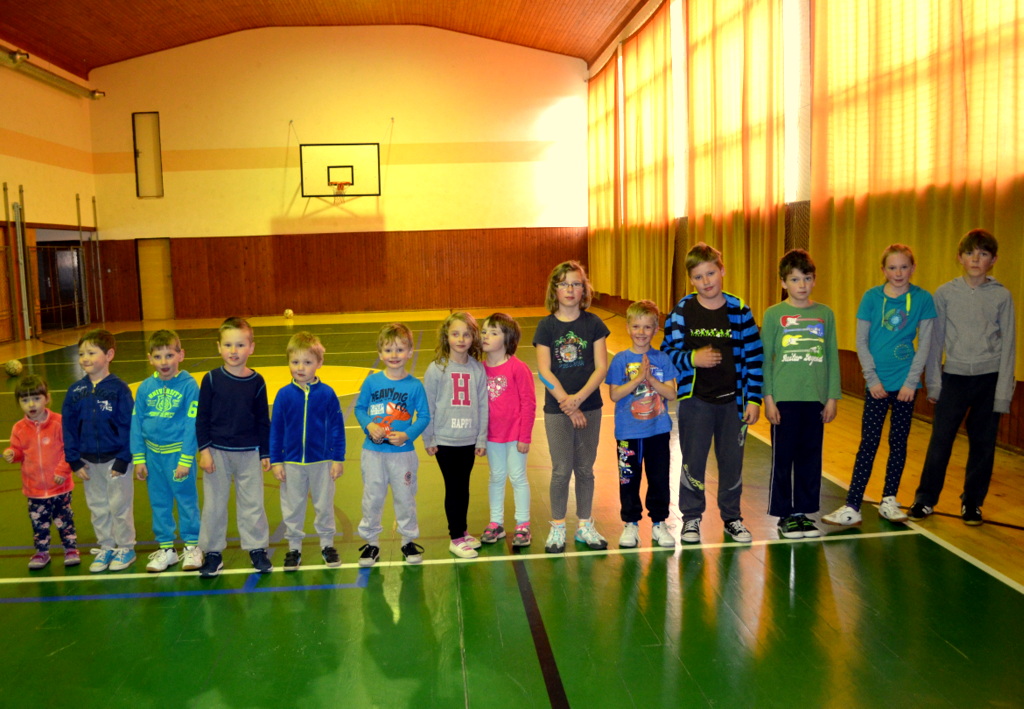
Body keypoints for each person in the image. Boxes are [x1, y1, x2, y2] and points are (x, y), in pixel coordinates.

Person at [910, 229, 1017, 526]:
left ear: (993, 260)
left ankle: (972, 503)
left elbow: (1009, 345)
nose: (976, 259)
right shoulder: (945, 293)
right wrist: (934, 383)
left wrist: (1003, 394)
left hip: (989, 380)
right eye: (970, 253)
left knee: (983, 445)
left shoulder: (1002, 295)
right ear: (960, 257)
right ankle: (925, 498)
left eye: (983, 254)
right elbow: (935, 341)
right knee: (940, 440)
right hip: (954, 379)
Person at [823, 245, 935, 527]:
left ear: (913, 268)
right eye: (892, 267)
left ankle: (889, 500)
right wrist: (871, 379)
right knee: (868, 443)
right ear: (883, 270)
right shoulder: (871, 298)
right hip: (877, 385)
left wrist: (911, 382)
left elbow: (925, 345)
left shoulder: (923, 299)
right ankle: (852, 505)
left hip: (906, 386)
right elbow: (861, 341)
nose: (899, 273)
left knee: (898, 443)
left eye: (904, 267)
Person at [661, 243, 763, 544]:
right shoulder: (682, 311)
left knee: (732, 463)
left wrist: (753, 398)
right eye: (698, 277)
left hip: (733, 403)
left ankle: (732, 518)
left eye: (710, 273)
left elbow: (755, 356)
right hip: (695, 403)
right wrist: (693, 359)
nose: (706, 281)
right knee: (693, 461)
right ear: (691, 280)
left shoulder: (739, 310)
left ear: (722, 271)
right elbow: (667, 353)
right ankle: (691, 518)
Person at [762, 249, 841, 539]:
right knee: (783, 459)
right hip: (784, 399)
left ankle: (803, 513)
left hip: (815, 400)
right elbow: (765, 360)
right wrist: (768, 399)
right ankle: (785, 514)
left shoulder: (825, 314)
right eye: (795, 279)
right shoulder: (773, 314)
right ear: (783, 282)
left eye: (807, 278)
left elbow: (831, 356)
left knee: (810, 458)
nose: (802, 285)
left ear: (814, 279)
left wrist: (831, 397)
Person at [534, 260, 610, 553]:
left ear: (584, 289)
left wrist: (579, 400)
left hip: (589, 407)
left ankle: (584, 525)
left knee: (585, 469)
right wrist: (567, 403)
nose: (570, 289)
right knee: (561, 470)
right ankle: (556, 527)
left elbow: (601, 367)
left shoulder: (594, 324)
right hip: (558, 410)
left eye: (576, 284)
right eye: (564, 283)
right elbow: (544, 371)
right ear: (555, 289)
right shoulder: (546, 326)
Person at [195, 317, 273, 577]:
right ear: (219, 347)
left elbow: (262, 419)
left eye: (240, 345)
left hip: (249, 453)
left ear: (251, 347)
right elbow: (202, 418)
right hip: (216, 453)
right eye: (228, 345)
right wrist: (204, 451)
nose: (234, 351)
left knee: (252, 503)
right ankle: (212, 552)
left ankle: (257, 549)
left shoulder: (257, 381)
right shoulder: (211, 379)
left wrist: (265, 451)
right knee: (214, 504)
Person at [354, 323, 431, 566]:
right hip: (373, 453)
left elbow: (425, 417)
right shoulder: (371, 382)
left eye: (399, 349)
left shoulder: (415, 385)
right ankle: (371, 543)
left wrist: (407, 435)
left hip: (402, 454)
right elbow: (359, 409)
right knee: (372, 498)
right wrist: (369, 425)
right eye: (388, 350)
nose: (394, 355)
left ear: (410, 352)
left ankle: (408, 541)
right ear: (380, 353)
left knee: (405, 497)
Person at [270, 332, 346, 571]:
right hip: (291, 462)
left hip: (322, 462)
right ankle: (294, 548)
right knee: (292, 507)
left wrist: (338, 458)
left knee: (324, 505)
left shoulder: (327, 394)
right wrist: (276, 460)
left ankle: (327, 545)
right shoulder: (283, 395)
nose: (300, 368)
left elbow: (337, 427)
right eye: (295, 362)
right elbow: (276, 429)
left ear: (319, 363)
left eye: (307, 362)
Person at [606, 300, 678, 549]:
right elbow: (614, 395)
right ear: (628, 327)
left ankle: (659, 523)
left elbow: (671, 394)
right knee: (629, 479)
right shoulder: (620, 359)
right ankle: (630, 524)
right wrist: (637, 379)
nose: (641, 332)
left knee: (659, 479)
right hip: (628, 433)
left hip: (658, 431)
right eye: (636, 326)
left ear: (656, 329)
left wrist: (651, 379)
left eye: (647, 327)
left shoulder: (663, 358)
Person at [62, 329, 136, 572]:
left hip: (116, 460)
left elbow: (129, 426)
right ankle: (106, 547)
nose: (85, 358)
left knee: (120, 507)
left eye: (91, 353)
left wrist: (124, 458)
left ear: (109, 355)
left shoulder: (119, 389)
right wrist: (74, 460)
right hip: (88, 463)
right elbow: (68, 428)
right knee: (98, 507)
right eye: (81, 353)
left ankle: (126, 547)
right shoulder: (75, 391)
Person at [130, 329, 203, 573]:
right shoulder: (145, 387)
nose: (164, 362)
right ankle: (166, 549)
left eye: (169, 355)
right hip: (153, 457)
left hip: (178, 455)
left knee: (186, 500)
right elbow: (137, 422)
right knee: (159, 502)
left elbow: (192, 423)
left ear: (181, 355)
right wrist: (139, 457)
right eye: (158, 356)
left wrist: (186, 458)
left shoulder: (189, 386)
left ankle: (192, 546)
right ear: (150, 358)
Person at [423, 312, 489, 559]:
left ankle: (462, 530)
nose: (461, 339)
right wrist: (429, 438)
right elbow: (428, 406)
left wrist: (481, 438)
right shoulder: (436, 369)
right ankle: (455, 538)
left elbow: (483, 405)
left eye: (466, 334)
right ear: (446, 337)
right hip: (445, 440)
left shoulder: (477, 369)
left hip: (468, 439)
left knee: (463, 487)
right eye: (455, 334)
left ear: (473, 337)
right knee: (454, 487)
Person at [4, 375, 79, 570]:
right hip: (34, 489)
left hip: (60, 487)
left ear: (47, 398)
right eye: (25, 400)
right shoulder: (19, 428)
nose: (31, 404)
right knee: (39, 523)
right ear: (19, 403)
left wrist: (62, 470)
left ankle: (70, 549)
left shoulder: (59, 422)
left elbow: (69, 449)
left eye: (36, 398)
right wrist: (12, 454)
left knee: (64, 520)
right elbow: (18, 451)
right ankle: (42, 552)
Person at [479, 312, 537, 547]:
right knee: (496, 477)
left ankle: (523, 524)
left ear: (507, 339)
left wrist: (525, 436)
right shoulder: (480, 369)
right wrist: (480, 438)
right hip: (492, 436)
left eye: (493, 333)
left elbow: (529, 404)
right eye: (484, 331)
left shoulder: (518, 368)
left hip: (515, 436)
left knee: (518, 477)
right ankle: (496, 523)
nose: (485, 336)